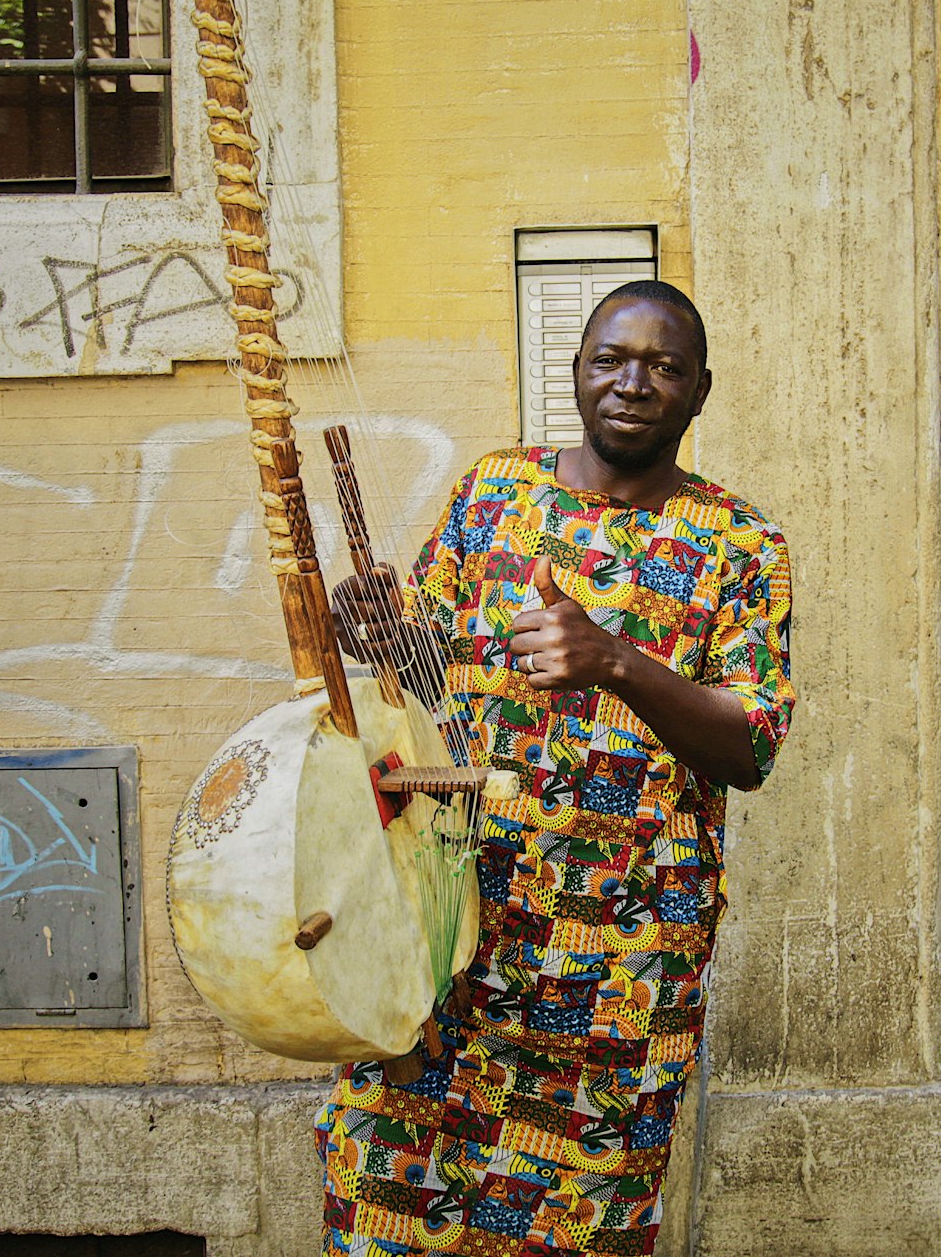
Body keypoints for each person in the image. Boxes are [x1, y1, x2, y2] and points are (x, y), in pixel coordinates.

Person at [317, 280, 795, 1256]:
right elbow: (432, 676)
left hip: (620, 967)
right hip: (453, 930)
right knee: (389, 1200)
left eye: (664, 365)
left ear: (700, 391)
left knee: (581, 1224)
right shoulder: (496, 491)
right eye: (611, 359)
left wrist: (615, 658)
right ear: (575, 374)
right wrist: (377, 636)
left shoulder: (742, 545)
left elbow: (748, 747)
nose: (634, 382)